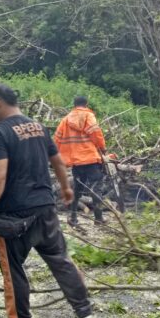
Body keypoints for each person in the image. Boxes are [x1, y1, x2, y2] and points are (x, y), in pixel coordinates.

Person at [0, 84, 93, 318]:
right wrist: (65, 188)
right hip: (45, 208)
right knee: (60, 259)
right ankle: (83, 309)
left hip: (15, 216)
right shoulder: (39, 127)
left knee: (13, 270)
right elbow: (58, 162)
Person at [55, 96, 107, 228]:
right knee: (96, 187)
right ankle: (99, 218)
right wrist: (102, 148)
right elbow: (96, 134)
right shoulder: (88, 116)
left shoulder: (65, 120)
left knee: (77, 189)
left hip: (76, 161)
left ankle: (72, 217)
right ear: (86, 104)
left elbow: (57, 139)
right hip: (90, 158)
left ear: (74, 104)